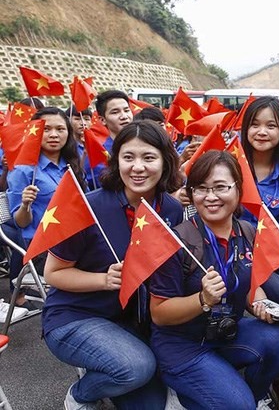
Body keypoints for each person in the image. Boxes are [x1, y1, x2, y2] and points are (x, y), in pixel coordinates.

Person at [41, 120, 184, 409]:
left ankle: (109, 364)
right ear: (116, 160)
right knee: (137, 368)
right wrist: (102, 280)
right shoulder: (89, 208)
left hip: (129, 320)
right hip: (75, 317)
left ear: (165, 162)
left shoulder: (171, 209)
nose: (138, 167)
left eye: (149, 157)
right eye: (128, 157)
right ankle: (81, 394)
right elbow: (52, 274)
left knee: (151, 401)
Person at [149, 150, 279, 409]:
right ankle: (189, 393)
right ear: (191, 194)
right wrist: (202, 299)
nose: (211, 197)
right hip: (182, 347)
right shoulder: (174, 242)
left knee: (278, 342)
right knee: (237, 404)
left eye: (220, 187)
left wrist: (260, 306)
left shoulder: (247, 232)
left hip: (224, 335)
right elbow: (159, 313)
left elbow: (249, 285)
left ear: (238, 190)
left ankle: (249, 397)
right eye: (201, 188)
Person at [6, 107, 86, 309]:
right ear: (34, 132)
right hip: (43, 248)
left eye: (60, 129)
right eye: (46, 129)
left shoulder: (71, 165)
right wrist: (25, 204)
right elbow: (20, 223)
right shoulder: (23, 170)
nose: (53, 135)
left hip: (76, 237)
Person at [240, 96, 279, 237]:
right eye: (255, 125)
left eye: (271, 126)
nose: (262, 132)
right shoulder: (231, 169)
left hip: (270, 252)